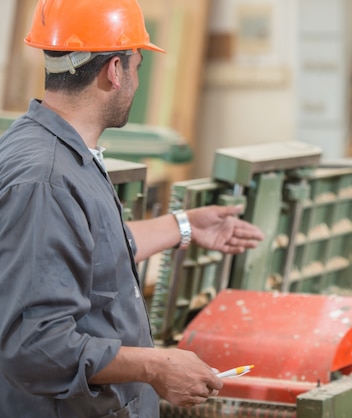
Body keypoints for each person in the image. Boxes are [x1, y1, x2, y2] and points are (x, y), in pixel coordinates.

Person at [0, 1, 264, 417]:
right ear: (115, 70)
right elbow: (35, 345)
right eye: (137, 65)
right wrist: (156, 365)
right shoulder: (47, 180)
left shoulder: (54, 150)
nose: (136, 80)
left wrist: (184, 225)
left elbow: (90, 253)